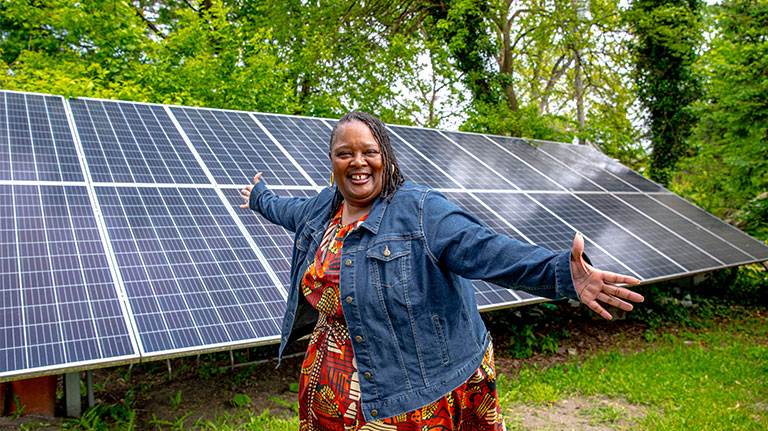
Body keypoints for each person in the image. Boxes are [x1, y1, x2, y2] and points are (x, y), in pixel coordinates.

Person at [240, 111, 643, 430]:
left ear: (387, 157)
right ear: (332, 162)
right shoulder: (322, 209)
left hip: (411, 386)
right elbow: (285, 210)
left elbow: (486, 250)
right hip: (330, 379)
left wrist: (561, 273)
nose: (357, 162)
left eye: (369, 151)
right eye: (345, 153)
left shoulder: (421, 210)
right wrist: (259, 197)